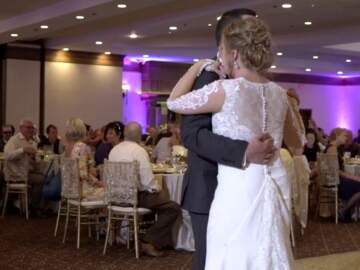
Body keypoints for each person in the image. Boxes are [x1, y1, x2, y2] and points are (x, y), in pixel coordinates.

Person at [167, 16, 305, 270]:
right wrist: (292, 106)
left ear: (234, 53)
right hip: (272, 180)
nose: (219, 56)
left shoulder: (225, 90)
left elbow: (174, 101)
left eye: (221, 50)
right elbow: (298, 145)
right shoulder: (279, 94)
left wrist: (196, 66)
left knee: (231, 254)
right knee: (268, 249)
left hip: (237, 186)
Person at [109, 122, 182, 257]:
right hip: (135, 198)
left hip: (114, 198)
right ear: (139, 136)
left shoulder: (114, 150)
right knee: (173, 207)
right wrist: (157, 189)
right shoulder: (138, 151)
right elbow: (148, 181)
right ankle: (148, 241)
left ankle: (153, 239)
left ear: (124, 134)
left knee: (160, 202)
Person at [4, 119, 45, 217]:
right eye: (28, 127)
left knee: (44, 176)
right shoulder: (14, 140)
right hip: (15, 174)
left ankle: (31, 206)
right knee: (41, 179)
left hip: (27, 173)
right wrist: (22, 150)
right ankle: (34, 208)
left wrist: (35, 158)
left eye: (32, 128)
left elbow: (38, 161)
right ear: (21, 128)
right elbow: (8, 155)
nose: (31, 130)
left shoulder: (32, 142)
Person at [63, 118, 104, 201]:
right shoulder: (81, 147)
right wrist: (99, 183)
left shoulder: (67, 147)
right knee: (110, 192)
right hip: (82, 191)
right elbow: (83, 174)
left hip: (69, 189)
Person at [325, 128, 360, 222]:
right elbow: (336, 172)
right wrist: (355, 178)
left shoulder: (333, 147)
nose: (346, 137)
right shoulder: (332, 149)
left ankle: (347, 209)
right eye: (344, 135)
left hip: (337, 180)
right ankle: (344, 210)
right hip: (336, 182)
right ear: (337, 136)